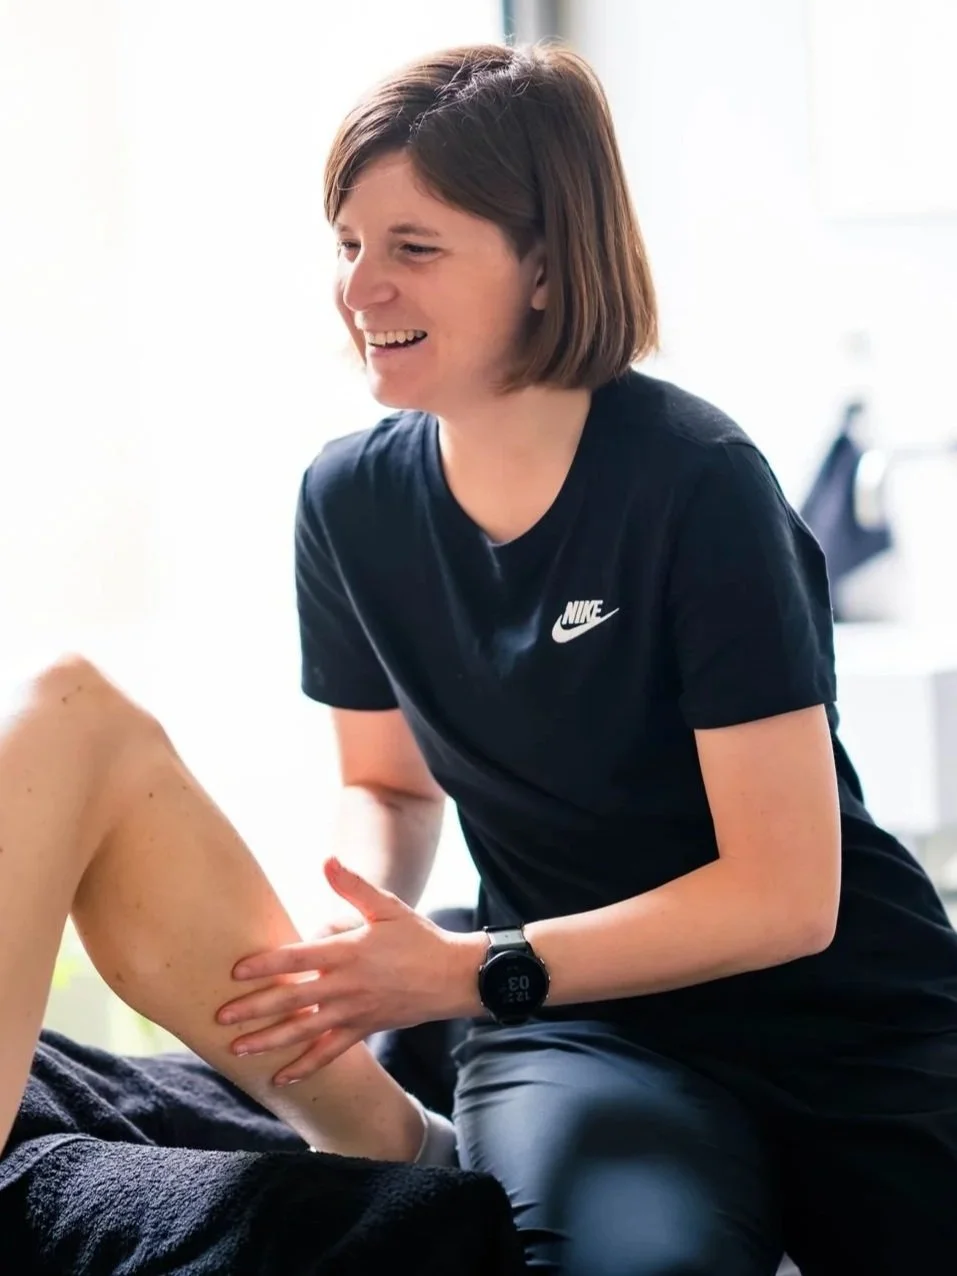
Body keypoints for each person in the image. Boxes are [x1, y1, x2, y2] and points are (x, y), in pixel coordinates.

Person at [207, 38, 957, 1276]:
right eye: (348, 244)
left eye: (414, 248)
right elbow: (390, 783)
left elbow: (786, 893)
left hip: (843, 1013)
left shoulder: (698, 481)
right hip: (579, 1026)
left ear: (547, 265)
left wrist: (469, 969)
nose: (360, 289)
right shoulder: (348, 502)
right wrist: (360, 928)